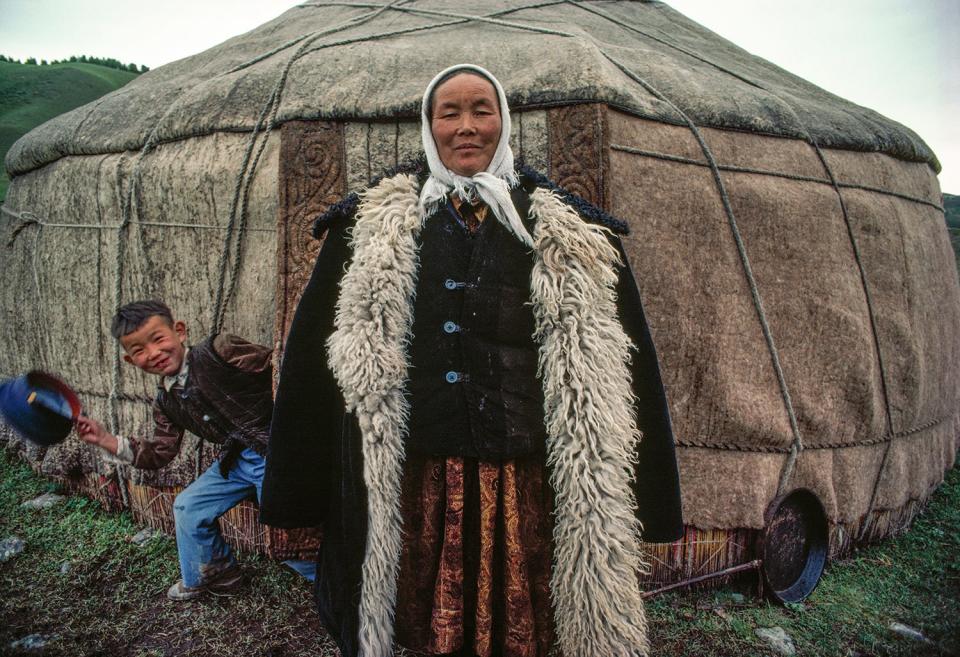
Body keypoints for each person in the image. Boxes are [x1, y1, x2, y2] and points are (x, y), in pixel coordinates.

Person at [261, 64, 683, 657]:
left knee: (536, 619)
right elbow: (315, 363)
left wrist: (654, 498)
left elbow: (619, 372)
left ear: (504, 122)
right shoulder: (370, 230)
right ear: (428, 126)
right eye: (449, 113)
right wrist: (296, 492)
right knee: (410, 612)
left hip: (526, 469)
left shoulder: (566, 229)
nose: (466, 127)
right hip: (416, 469)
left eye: (481, 111)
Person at [77, 300, 315, 601]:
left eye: (158, 338)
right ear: (129, 360)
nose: (153, 353)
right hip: (236, 459)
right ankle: (216, 573)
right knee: (188, 507)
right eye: (139, 350)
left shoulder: (220, 350)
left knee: (289, 534)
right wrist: (107, 441)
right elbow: (161, 452)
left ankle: (335, 585)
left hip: (277, 453)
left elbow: (280, 368)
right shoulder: (166, 402)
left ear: (179, 331)